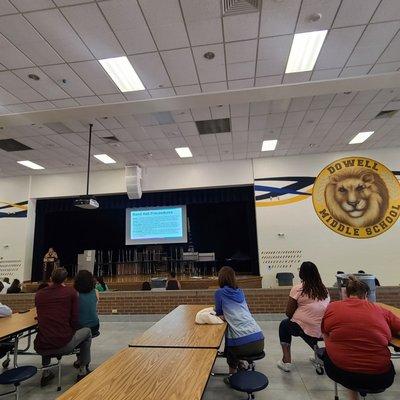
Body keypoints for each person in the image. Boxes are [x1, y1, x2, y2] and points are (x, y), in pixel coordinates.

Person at [322, 276, 400, 400]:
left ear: (346, 294)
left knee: (329, 337)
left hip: (340, 372)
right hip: (379, 378)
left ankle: (353, 396)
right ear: (366, 295)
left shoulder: (333, 307)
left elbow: (325, 331)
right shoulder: (380, 310)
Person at [34, 267, 92, 386]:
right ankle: (82, 370)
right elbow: (74, 318)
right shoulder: (70, 292)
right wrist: (71, 330)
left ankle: (46, 372)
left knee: (45, 331)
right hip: (64, 344)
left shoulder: (39, 294)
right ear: (66, 279)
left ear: (50, 278)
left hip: (41, 346)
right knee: (87, 332)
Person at [277, 261, 330, 372]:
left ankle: (286, 361)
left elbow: (288, 312)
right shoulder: (324, 289)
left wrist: (300, 315)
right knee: (304, 327)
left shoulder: (298, 288)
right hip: (324, 329)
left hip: (308, 328)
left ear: (301, 274)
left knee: (285, 325)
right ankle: (319, 356)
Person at [214, 266, 264, 383]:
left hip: (242, 345)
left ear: (220, 278)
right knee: (234, 335)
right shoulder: (240, 292)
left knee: (232, 341)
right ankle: (242, 363)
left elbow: (220, 315)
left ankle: (232, 376)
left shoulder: (219, 293)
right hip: (259, 339)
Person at [74, 270, 100, 337]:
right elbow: (94, 308)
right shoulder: (96, 291)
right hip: (95, 325)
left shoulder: (76, 293)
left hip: (81, 326)